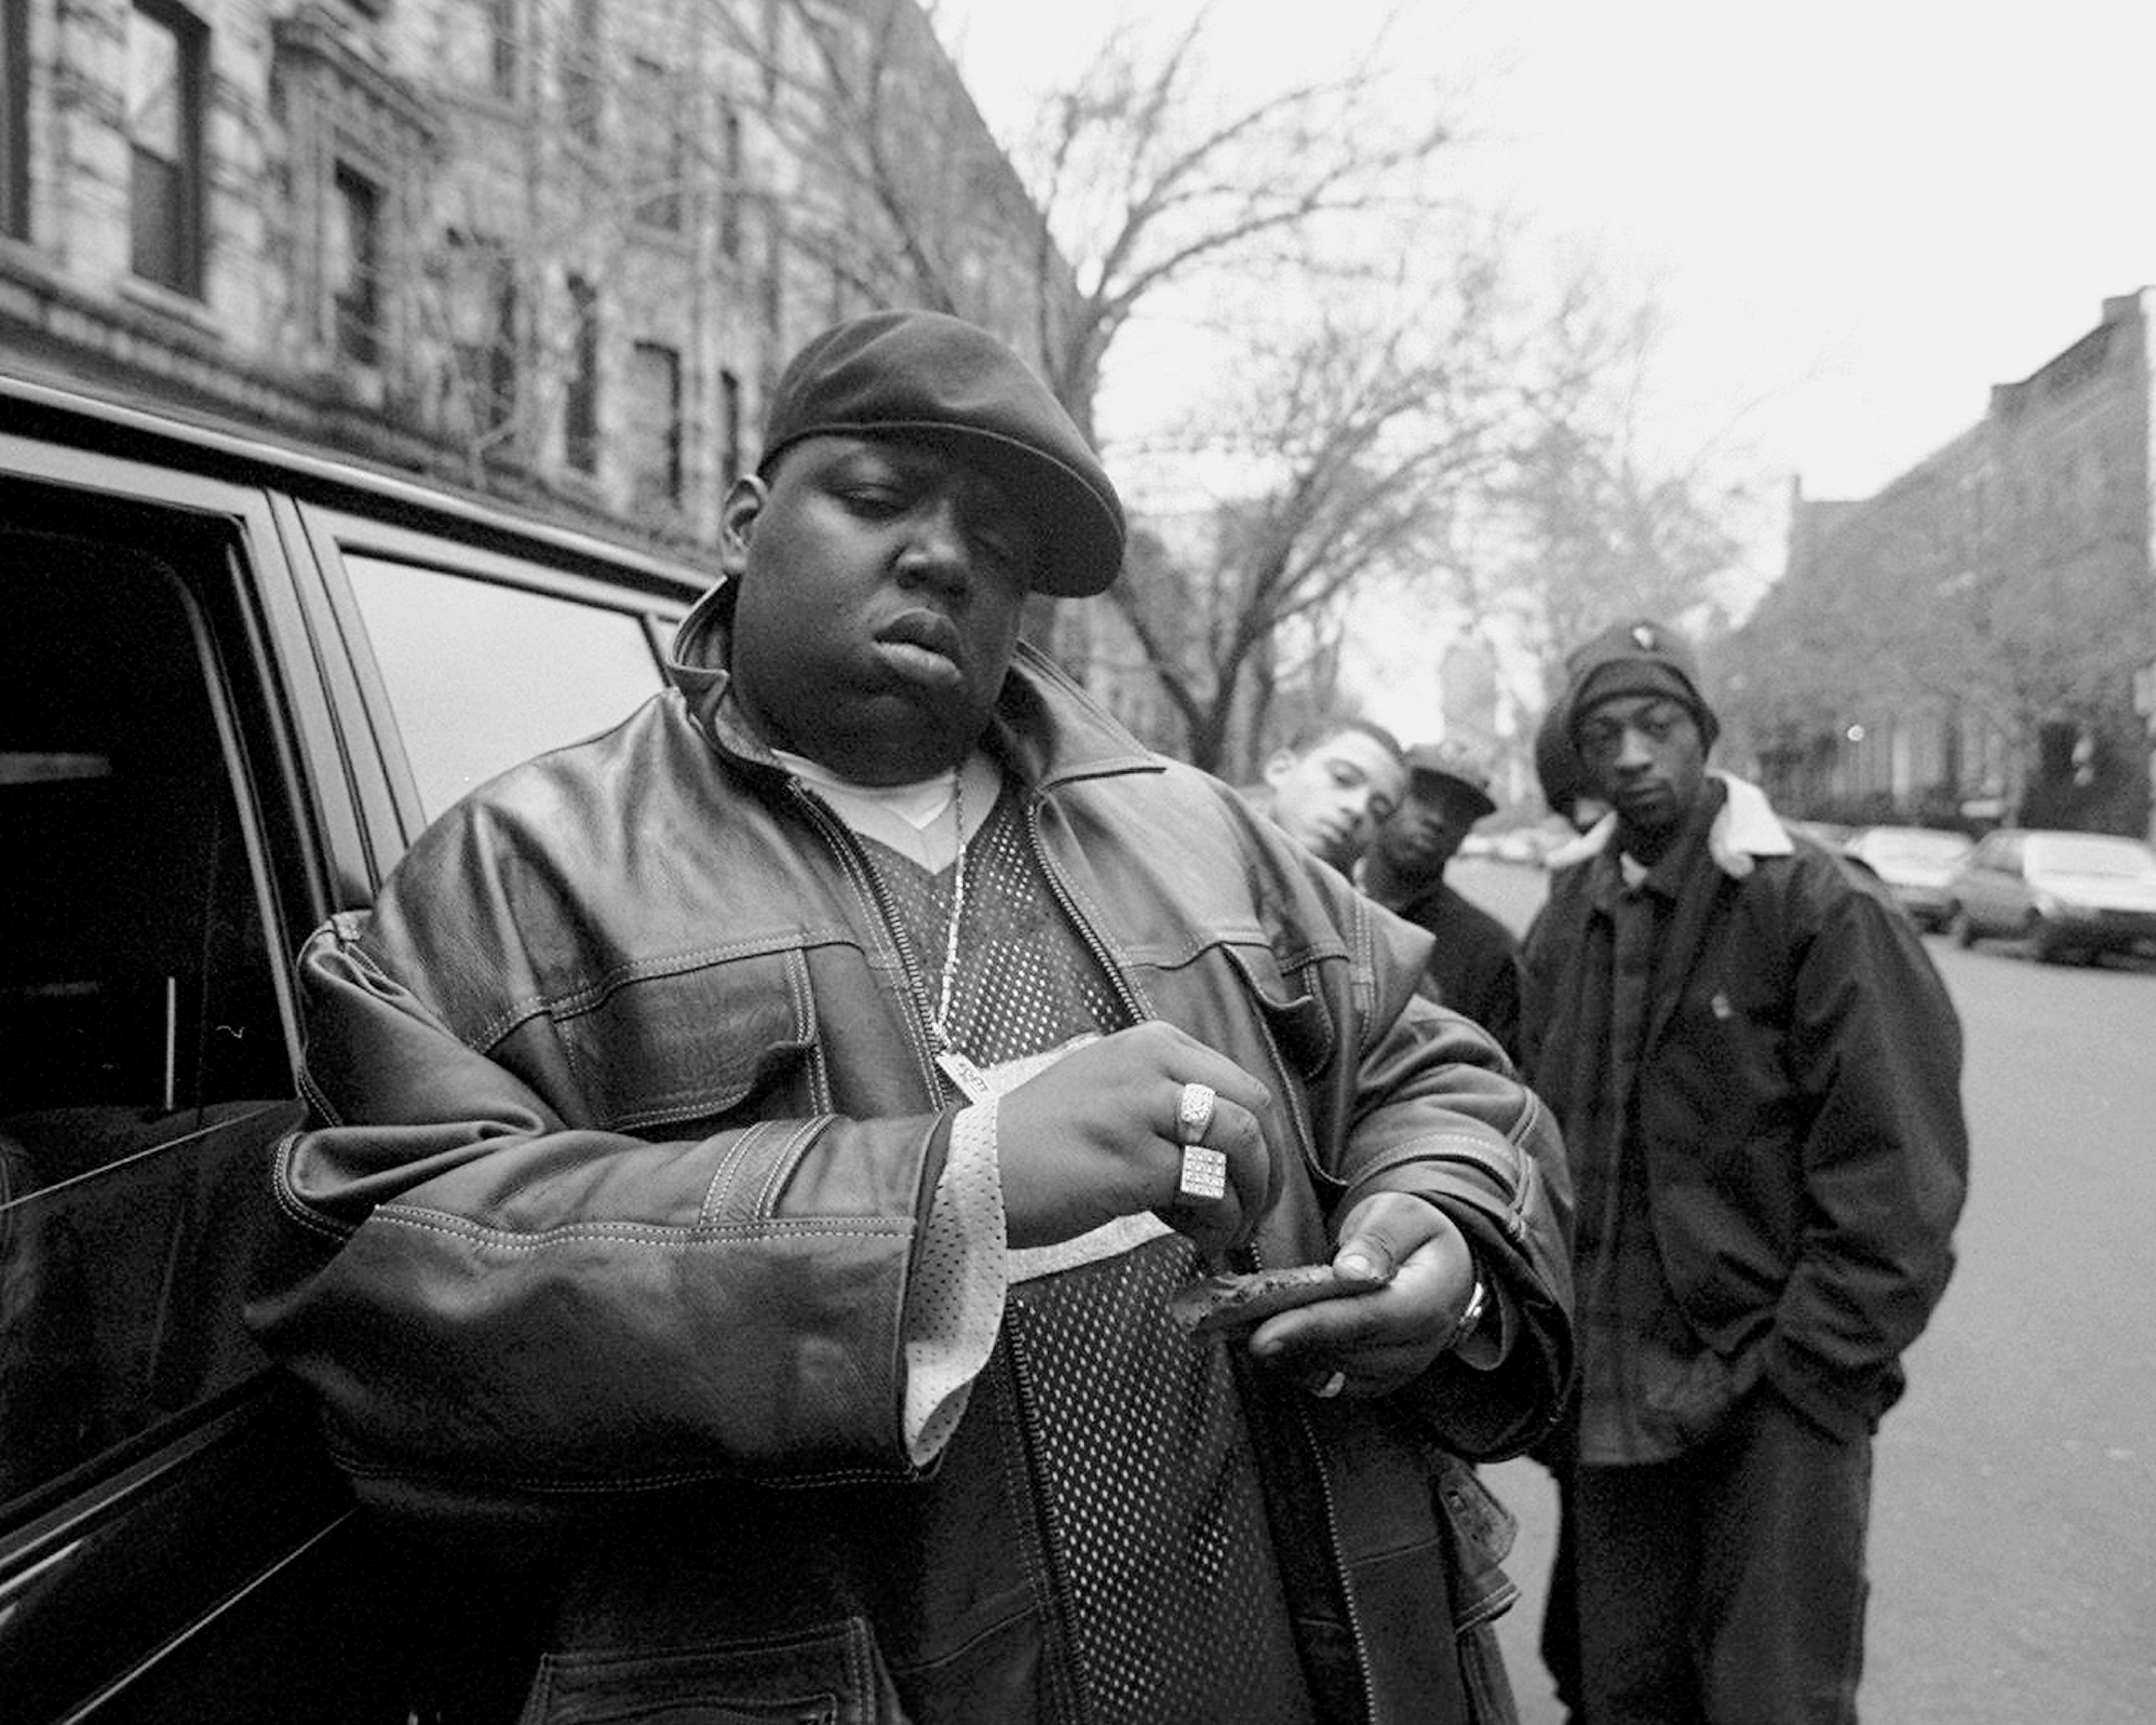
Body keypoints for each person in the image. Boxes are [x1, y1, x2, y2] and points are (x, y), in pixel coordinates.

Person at [247, 309, 1575, 1725]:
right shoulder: (519, 876)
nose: (941, 556)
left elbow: (1438, 1070)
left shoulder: (1198, 832)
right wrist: (949, 1195)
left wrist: (1441, 1225)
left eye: (997, 549)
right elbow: (388, 1288)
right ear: (750, 516)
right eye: (877, 499)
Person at [1519, 619, 1967, 1725]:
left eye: (1657, 725)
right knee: (1622, 1693)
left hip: (1774, 1395)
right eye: (1605, 732)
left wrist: (1808, 1374)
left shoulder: (1816, 902)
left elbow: (1898, 1170)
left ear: (1704, 734)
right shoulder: (1570, 914)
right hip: (1618, 1395)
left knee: (1775, 1699)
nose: (1631, 754)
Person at [1360, 740, 1521, 1063]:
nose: (1437, 818)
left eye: (1459, 810)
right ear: (1385, 798)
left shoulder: (1488, 950)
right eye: (1421, 797)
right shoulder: (1324, 903)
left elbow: (1496, 1083)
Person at [1242, 716, 1409, 874]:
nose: (1358, 808)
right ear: (1280, 769)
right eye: (1343, 778)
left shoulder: (1346, 903)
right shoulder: (1219, 831)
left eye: (1378, 811)